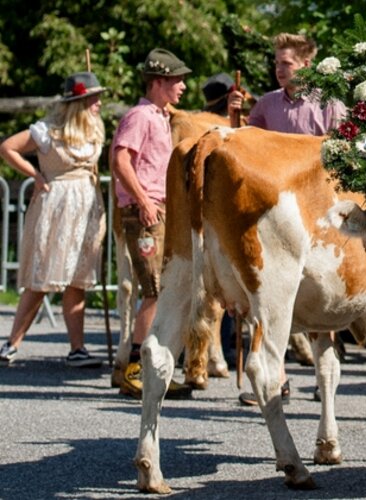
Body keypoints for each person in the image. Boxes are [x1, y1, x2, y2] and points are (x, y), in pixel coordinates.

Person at [227, 33, 345, 406]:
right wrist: (234, 116)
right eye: (277, 63)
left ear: (306, 65)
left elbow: (341, 157)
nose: (278, 70)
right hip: (272, 213)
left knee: (318, 294)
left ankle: (323, 379)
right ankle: (276, 378)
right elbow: (246, 144)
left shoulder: (330, 104)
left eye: (286, 63)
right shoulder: (266, 104)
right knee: (268, 294)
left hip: (316, 210)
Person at [0, 72, 107, 368]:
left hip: (86, 206)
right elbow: (7, 147)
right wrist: (35, 175)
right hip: (57, 205)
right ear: (79, 102)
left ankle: (77, 348)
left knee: (78, 277)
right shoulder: (48, 131)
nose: (99, 103)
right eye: (93, 98)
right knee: (42, 276)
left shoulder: (94, 129)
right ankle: (11, 344)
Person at [110, 48, 193, 399]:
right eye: (176, 80)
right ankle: (134, 369)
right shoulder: (140, 117)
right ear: (158, 82)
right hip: (145, 212)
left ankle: (157, 367)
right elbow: (120, 159)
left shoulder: (159, 115)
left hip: (158, 209)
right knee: (153, 289)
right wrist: (143, 200)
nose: (183, 86)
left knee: (163, 289)